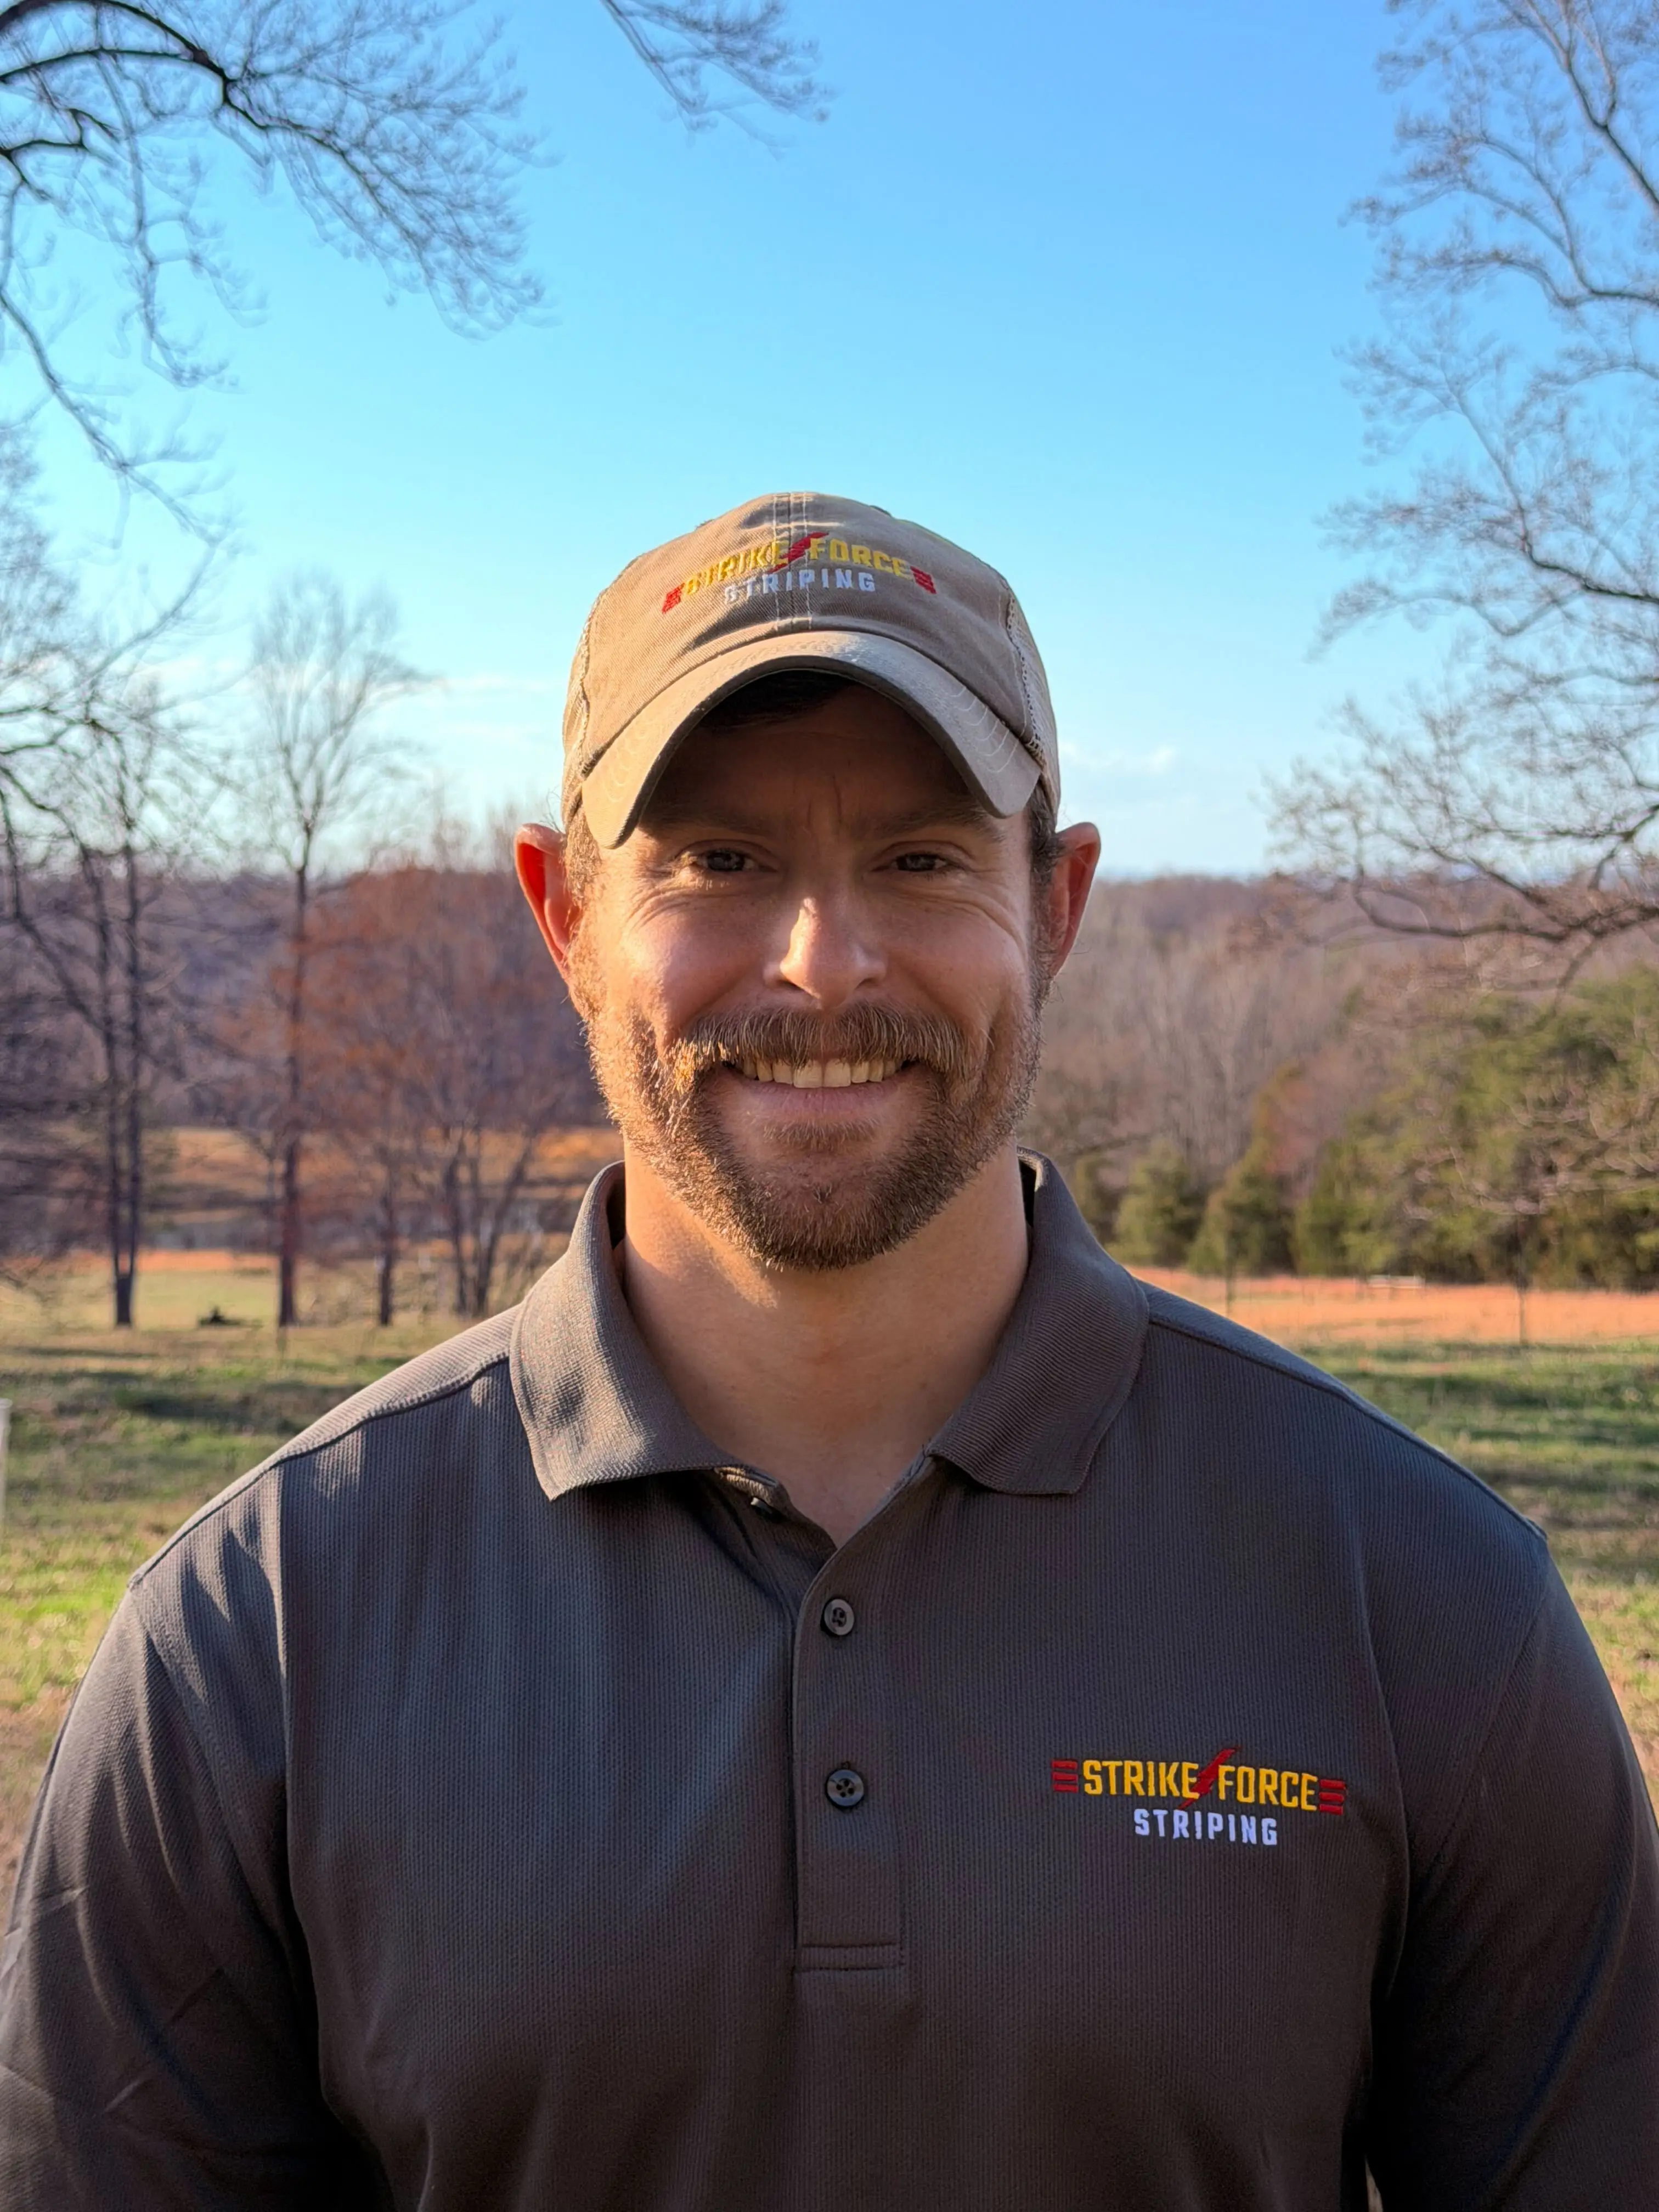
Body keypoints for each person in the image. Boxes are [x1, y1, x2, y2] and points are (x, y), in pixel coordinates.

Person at [1, 492, 1654, 2210]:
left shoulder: (1425, 1602)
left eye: (923, 859)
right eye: (718, 860)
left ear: (1060, 903)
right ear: (563, 915)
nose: (823, 961)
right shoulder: (253, 1633)